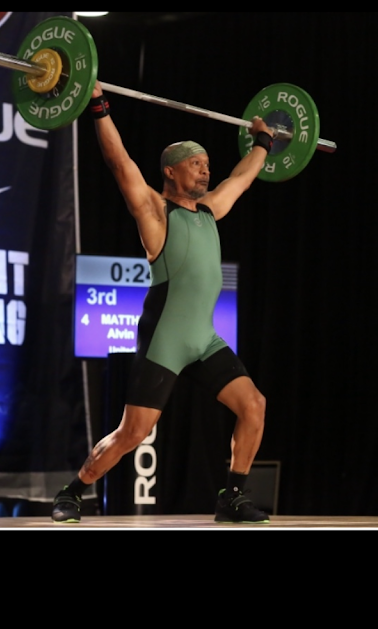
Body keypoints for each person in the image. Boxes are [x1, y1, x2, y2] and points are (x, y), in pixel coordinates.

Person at [52, 81, 274, 526]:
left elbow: (243, 178)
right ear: (171, 172)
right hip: (166, 339)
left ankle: (231, 497)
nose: (205, 171)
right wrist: (98, 104)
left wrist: (263, 142)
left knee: (254, 405)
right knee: (133, 432)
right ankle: (73, 491)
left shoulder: (211, 210)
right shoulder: (156, 214)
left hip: (204, 339)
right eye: (195, 164)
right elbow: (119, 162)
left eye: (207, 165)